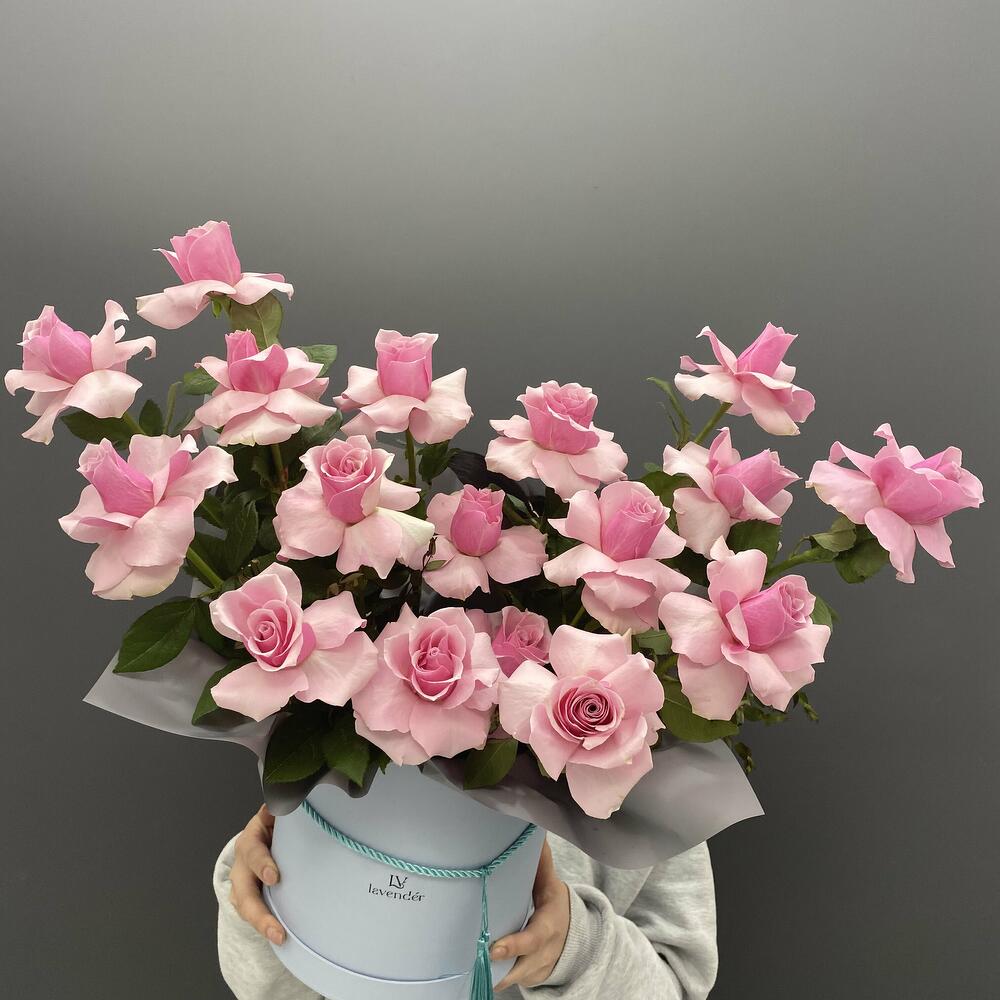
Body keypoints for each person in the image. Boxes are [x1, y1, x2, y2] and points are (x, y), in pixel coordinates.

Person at [215, 805, 719, 999]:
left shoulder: (653, 786)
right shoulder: (346, 726)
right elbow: (268, 990)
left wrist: (574, 950)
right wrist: (268, 893)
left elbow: (678, 985)